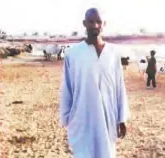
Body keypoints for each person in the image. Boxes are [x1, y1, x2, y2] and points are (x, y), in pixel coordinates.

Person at [59, 8, 129, 158]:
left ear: (104, 24)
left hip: (108, 117)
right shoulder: (73, 54)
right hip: (82, 116)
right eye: (91, 21)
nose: (95, 25)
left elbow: (119, 86)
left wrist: (121, 118)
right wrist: (66, 117)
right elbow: (67, 87)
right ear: (84, 23)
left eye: (99, 21)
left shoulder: (113, 53)